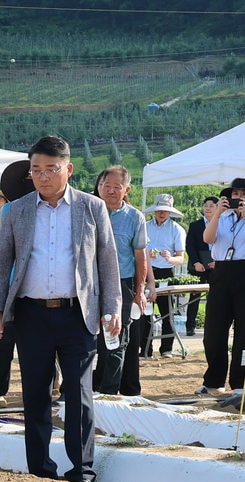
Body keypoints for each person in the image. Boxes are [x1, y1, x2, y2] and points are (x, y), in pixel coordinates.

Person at [0, 135, 121, 482]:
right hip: (31, 314)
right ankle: (40, 471)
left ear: (68, 169)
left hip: (78, 313)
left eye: (51, 169)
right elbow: (3, 265)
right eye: (36, 170)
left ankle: (82, 471)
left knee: (79, 394)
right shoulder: (16, 210)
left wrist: (112, 307)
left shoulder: (91, 207)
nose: (43, 176)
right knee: (34, 393)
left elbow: (107, 260)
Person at [198, 178, 245, 395]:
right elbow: (207, 238)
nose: (239, 197)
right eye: (235, 193)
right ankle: (213, 380)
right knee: (213, 331)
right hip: (221, 271)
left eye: (244, 194)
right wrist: (218, 214)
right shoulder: (220, 218)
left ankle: (242, 383)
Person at [0, 161, 34, 408]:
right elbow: (2, 256)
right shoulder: (7, 211)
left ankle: (47, 389)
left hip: (41, 288)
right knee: (3, 342)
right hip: (13, 287)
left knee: (43, 345)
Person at [94, 165, 148, 396]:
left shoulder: (135, 216)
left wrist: (140, 290)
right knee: (84, 338)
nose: (111, 191)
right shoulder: (88, 209)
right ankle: (82, 388)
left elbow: (140, 255)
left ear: (127, 190)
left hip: (122, 284)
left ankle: (109, 391)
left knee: (116, 337)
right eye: (107, 186)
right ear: (99, 187)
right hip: (90, 284)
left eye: (117, 187)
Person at [144, 194, 186, 358]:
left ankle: (166, 348)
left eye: (165, 211)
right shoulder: (145, 226)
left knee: (166, 311)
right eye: (159, 210)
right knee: (145, 311)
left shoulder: (177, 229)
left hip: (166, 271)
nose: (161, 213)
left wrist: (170, 258)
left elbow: (180, 257)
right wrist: (146, 254)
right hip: (147, 269)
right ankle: (145, 349)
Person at [184, 197, 218, 336]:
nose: (208, 208)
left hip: (216, 265)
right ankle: (190, 326)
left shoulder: (222, 224)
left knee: (216, 296)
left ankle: (212, 325)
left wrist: (219, 262)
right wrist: (196, 262)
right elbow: (190, 246)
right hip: (198, 266)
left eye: (211, 206)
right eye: (206, 206)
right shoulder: (195, 225)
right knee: (194, 296)